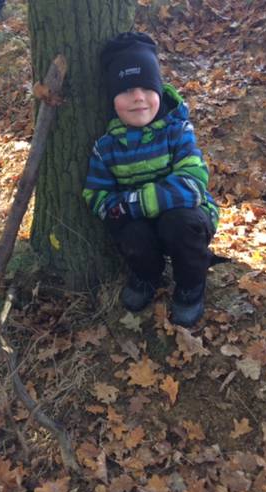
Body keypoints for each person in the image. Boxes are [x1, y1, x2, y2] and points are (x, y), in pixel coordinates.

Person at [83, 32, 220, 327]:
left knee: (180, 223)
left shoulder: (177, 130)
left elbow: (192, 183)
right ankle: (146, 275)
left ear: (159, 89)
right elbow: (96, 193)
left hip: (186, 218)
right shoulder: (107, 147)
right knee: (131, 232)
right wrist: (117, 210)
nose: (138, 97)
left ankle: (191, 284)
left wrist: (133, 203)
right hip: (142, 224)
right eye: (126, 90)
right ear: (112, 99)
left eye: (147, 87)